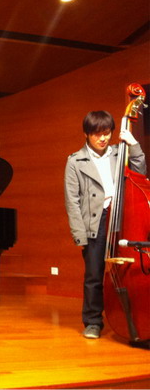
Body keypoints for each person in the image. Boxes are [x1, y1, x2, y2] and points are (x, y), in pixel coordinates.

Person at [64, 111, 146, 340]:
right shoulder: (75, 161)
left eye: (107, 133)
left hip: (121, 217)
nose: (103, 138)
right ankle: (93, 322)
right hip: (95, 221)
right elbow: (72, 201)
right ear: (86, 134)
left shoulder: (120, 152)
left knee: (130, 271)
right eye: (97, 134)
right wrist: (79, 234)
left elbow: (140, 173)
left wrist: (134, 145)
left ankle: (135, 318)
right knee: (94, 276)